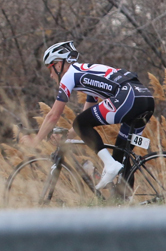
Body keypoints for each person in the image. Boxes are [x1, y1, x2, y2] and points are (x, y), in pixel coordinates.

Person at [22, 40, 156, 190]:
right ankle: (125, 200)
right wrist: (69, 136)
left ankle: (109, 164)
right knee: (120, 154)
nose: (51, 75)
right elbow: (88, 114)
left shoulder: (69, 75)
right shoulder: (86, 74)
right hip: (145, 99)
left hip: (129, 98)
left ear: (58, 65)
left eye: (50, 69)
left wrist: (36, 141)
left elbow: (53, 115)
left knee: (81, 124)